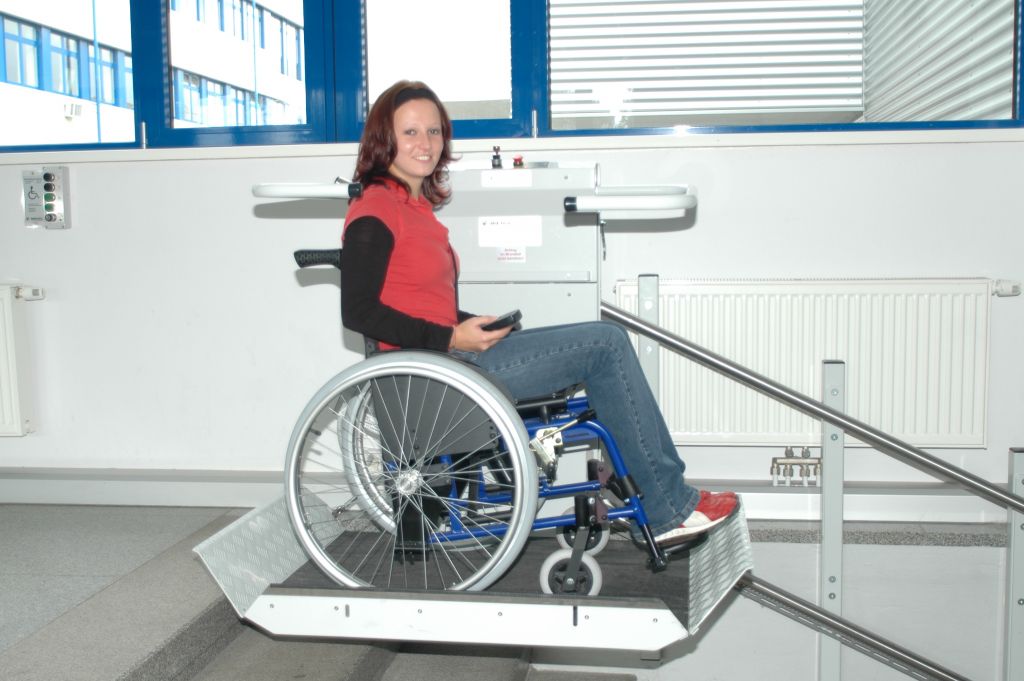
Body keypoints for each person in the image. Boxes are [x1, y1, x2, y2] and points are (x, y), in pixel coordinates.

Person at [340, 80, 737, 545]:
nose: (425, 143)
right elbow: (359, 311)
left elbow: (418, 300)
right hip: (438, 375)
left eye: (434, 131)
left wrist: (469, 323)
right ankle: (668, 507)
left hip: (451, 359)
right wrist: (451, 337)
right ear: (384, 138)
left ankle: (650, 493)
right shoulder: (376, 210)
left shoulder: (414, 208)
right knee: (606, 345)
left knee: (601, 343)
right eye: (410, 132)